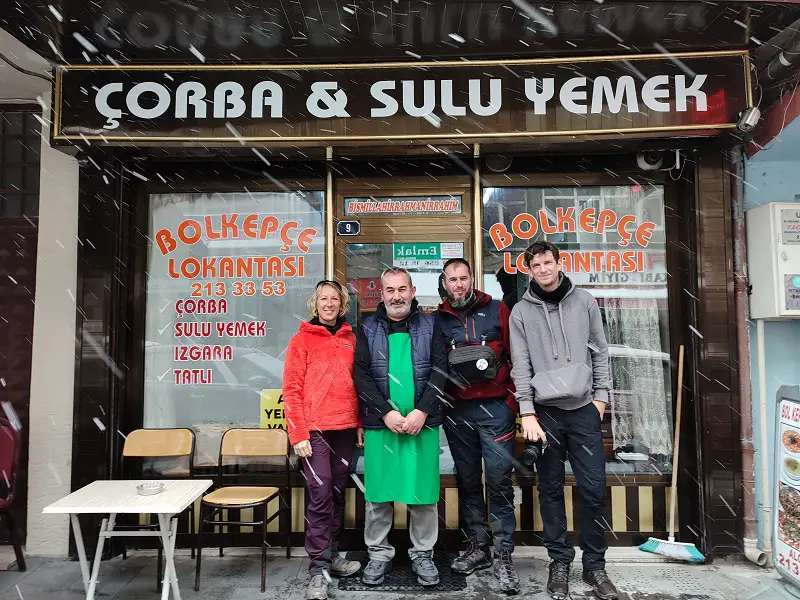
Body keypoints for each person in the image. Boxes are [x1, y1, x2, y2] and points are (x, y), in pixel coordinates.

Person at [509, 241, 618, 600]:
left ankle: (595, 566)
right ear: (528, 270)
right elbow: (520, 365)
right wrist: (526, 411)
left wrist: (600, 399)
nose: (542, 269)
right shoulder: (521, 312)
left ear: (559, 264)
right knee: (551, 490)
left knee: (593, 490)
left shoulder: (584, 302)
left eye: (547, 262)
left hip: (584, 410)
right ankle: (559, 561)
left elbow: (600, 350)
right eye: (536, 265)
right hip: (544, 416)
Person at [353, 267, 448, 587]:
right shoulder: (367, 328)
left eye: (402, 289)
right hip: (383, 426)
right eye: (390, 290)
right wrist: (384, 413)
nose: (397, 296)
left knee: (423, 495)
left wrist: (422, 410)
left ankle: (423, 554)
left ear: (412, 290)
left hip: (423, 423)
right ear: (381, 294)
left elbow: (440, 370)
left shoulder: (431, 325)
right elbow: (361, 376)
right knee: (379, 495)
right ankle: (378, 553)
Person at [435, 258, 521, 595]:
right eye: (452, 279)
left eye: (463, 277)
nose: (458, 284)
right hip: (458, 413)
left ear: (473, 278)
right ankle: (477, 547)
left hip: (496, 410)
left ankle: (503, 554)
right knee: (468, 481)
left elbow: (518, 357)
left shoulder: (498, 310)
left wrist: (512, 404)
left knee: (499, 480)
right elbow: (435, 368)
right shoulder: (439, 320)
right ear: (444, 283)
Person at [282, 280, 363, 600]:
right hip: (314, 431)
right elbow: (291, 390)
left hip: (344, 429)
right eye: (323, 299)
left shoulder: (351, 339)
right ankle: (317, 567)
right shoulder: (301, 340)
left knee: (337, 491)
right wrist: (298, 433)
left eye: (334, 299)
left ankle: (331, 556)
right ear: (314, 305)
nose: (328, 304)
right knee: (319, 493)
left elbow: (357, 385)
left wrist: (357, 423)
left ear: (342, 305)